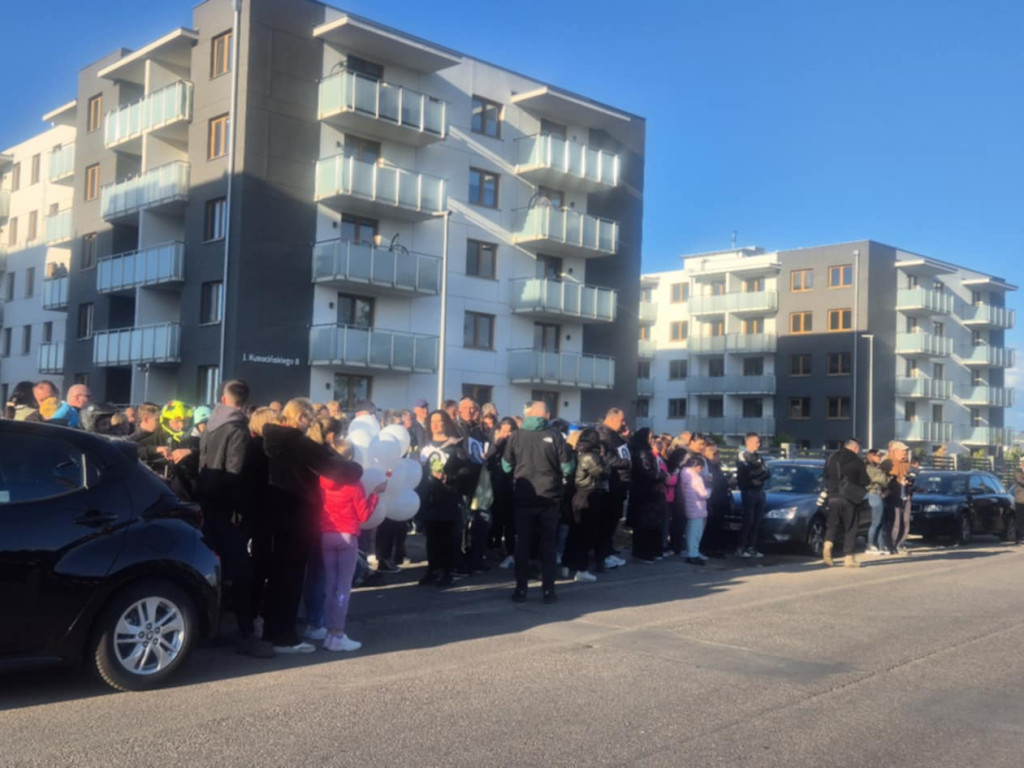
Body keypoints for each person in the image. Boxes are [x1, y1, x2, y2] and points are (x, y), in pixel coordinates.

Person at [262, 398, 362, 653]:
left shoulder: (269, 439)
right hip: (298, 513)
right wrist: (358, 468)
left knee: (277, 575)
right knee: (293, 576)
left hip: (273, 512)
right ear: (301, 418)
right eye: (308, 419)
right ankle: (285, 638)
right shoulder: (298, 442)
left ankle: (272, 631)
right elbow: (337, 469)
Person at [197, 379, 273, 658]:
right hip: (227, 508)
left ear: (223, 398)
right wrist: (239, 510)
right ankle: (245, 633)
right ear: (245, 400)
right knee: (241, 571)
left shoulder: (211, 423)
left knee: (215, 568)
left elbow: (203, 463)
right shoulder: (237, 427)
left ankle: (212, 629)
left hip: (207, 502)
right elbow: (235, 470)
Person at [502, 400, 574, 603]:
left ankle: (521, 589)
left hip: (524, 497)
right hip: (549, 498)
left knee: (523, 543)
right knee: (548, 545)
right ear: (547, 416)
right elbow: (567, 467)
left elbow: (506, 466)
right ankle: (548, 590)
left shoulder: (516, 436)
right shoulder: (555, 435)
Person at [320, 448, 387, 652]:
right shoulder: (354, 483)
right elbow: (364, 515)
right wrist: (375, 494)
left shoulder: (321, 481)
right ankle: (338, 634)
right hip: (347, 535)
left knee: (330, 585)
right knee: (343, 587)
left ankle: (329, 632)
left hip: (325, 534)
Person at [418, 409, 473, 588]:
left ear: (446, 423)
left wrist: (447, 478)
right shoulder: (425, 447)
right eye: (432, 421)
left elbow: (466, 472)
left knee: (448, 537)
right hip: (430, 497)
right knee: (432, 537)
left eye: (439, 421)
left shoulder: (455, 446)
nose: (435, 424)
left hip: (449, 496)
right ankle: (432, 569)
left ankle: (447, 571)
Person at [563, 428, 608, 582]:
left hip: (578, 494)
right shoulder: (590, 456)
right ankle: (582, 568)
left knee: (575, 533)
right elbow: (602, 472)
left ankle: (567, 565)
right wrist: (604, 462)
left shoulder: (578, 452)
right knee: (586, 533)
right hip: (589, 494)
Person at [823, 438, 870, 568]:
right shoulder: (857, 461)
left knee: (832, 524)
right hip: (849, 497)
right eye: (858, 448)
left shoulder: (832, 458)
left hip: (832, 496)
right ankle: (849, 558)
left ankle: (828, 544)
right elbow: (865, 480)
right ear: (855, 448)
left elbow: (825, 475)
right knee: (851, 527)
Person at [596, 408, 631, 570]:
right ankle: (602, 554)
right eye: (621, 420)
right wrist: (626, 463)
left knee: (613, 521)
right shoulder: (604, 435)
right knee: (605, 523)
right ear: (611, 419)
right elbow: (607, 459)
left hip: (620, 485)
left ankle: (608, 550)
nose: (623, 423)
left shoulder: (615, 435)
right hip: (611, 484)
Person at [626, 428, 666, 563]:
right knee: (644, 524)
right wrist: (661, 476)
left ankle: (649, 551)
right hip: (644, 493)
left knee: (650, 524)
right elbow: (647, 472)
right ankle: (642, 552)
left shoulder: (646, 452)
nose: (652, 440)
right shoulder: (641, 453)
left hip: (648, 493)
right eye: (650, 437)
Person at [487, 417, 518, 568]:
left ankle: (511, 553)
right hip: (497, 487)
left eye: (509, 431)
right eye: (503, 431)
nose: (506, 434)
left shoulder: (517, 445)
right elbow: (488, 459)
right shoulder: (496, 443)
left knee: (510, 523)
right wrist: (497, 443)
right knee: (496, 520)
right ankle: (495, 546)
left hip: (512, 488)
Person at [736, 432, 770, 558]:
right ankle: (741, 547)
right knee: (748, 520)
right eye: (757, 442)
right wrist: (759, 473)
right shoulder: (743, 456)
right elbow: (747, 474)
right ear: (748, 442)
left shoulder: (759, 457)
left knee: (757, 521)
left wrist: (758, 473)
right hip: (749, 491)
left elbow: (767, 472)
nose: (759, 444)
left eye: (759, 442)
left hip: (759, 491)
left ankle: (752, 547)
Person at [880, 441, 913, 555]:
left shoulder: (906, 463)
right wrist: (898, 483)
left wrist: (911, 484)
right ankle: (890, 544)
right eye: (903, 450)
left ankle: (900, 544)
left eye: (906, 451)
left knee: (906, 521)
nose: (905, 452)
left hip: (906, 495)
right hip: (893, 496)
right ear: (895, 451)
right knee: (895, 521)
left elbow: (910, 477)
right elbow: (885, 480)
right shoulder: (888, 462)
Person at [701, 442, 731, 558]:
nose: (717, 456)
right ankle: (708, 548)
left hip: (721, 500)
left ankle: (714, 547)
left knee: (717, 526)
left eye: (718, 453)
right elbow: (713, 482)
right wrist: (725, 483)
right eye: (715, 453)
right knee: (711, 526)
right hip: (713, 500)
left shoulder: (718, 466)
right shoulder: (707, 465)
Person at [679, 456, 711, 565]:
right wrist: (709, 489)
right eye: (701, 468)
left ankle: (692, 552)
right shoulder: (696, 477)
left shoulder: (684, 473)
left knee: (690, 531)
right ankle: (693, 554)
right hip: (698, 506)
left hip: (689, 505)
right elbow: (703, 494)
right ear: (697, 466)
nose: (701, 470)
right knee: (696, 532)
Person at [864, 449, 889, 554]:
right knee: (876, 522)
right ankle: (870, 545)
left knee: (880, 522)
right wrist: (888, 477)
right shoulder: (870, 468)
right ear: (871, 456)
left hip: (878, 494)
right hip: (873, 494)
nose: (880, 458)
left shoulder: (876, 468)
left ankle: (881, 546)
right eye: (878, 456)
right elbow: (883, 481)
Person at [1013, 457, 1024, 546]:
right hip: (1020, 501)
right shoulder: (1018, 473)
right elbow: (1021, 482)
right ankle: (1018, 538)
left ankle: (1022, 537)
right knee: (1020, 519)